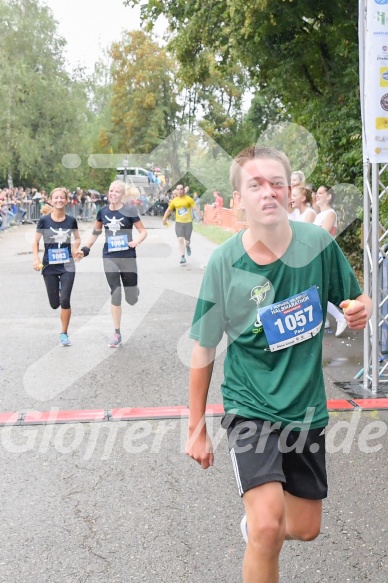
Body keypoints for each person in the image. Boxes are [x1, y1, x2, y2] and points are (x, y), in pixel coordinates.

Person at [186, 145, 372, 583]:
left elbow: (355, 300)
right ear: (238, 201)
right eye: (256, 184)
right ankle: (261, 530)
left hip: (305, 407)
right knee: (268, 529)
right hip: (250, 404)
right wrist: (195, 426)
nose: (268, 192)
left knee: (305, 529)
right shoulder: (224, 262)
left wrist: (359, 309)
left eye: (277, 183)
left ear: (290, 193)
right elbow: (204, 348)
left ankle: (259, 529)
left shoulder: (318, 245)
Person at [76, 180, 147, 347]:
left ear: (122, 195)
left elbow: (143, 231)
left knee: (131, 300)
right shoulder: (103, 212)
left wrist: (136, 241)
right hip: (109, 256)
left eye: (116, 191)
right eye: (111, 190)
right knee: (115, 293)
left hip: (128, 256)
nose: (113, 194)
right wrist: (85, 249)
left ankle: (134, 290)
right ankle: (117, 333)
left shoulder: (130, 210)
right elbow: (96, 232)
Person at [32, 187, 81, 347]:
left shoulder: (71, 220)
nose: (59, 200)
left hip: (67, 264)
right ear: (51, 201)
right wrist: (35, 258)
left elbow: (77, 238)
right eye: (56, 198)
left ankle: (64, 334)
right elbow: (35, 241)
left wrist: (74, 249)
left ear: (67, 201)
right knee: (55, 304)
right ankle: (59, 289)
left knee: (65, 299)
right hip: (49, 266)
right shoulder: (45, 221)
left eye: (62, 198)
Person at [314, 185, 347, 337]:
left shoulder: (330, 213)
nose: (317, 195)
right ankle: (326, 320)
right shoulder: (318, 215)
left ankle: (340, 317)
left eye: (321, 193)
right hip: (316, 254)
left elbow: (322, 233)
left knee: (319, 290)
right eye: (317, 193)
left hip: (324, 254)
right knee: (316, 289)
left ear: (329, 196)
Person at [162, 184, 196, 265]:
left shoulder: (189, 199)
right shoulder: (174, 201)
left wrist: (200, 218)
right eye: (178, 189)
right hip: (179, 223)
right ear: (176, 191)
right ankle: (182, 256)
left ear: (184, 190)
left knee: (187, 242)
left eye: (181, 189)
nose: (179, 191)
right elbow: (169, 210)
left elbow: (196, 209)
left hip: (188, 222)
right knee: (180, 239)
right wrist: (164, 218)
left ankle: (187, 246)